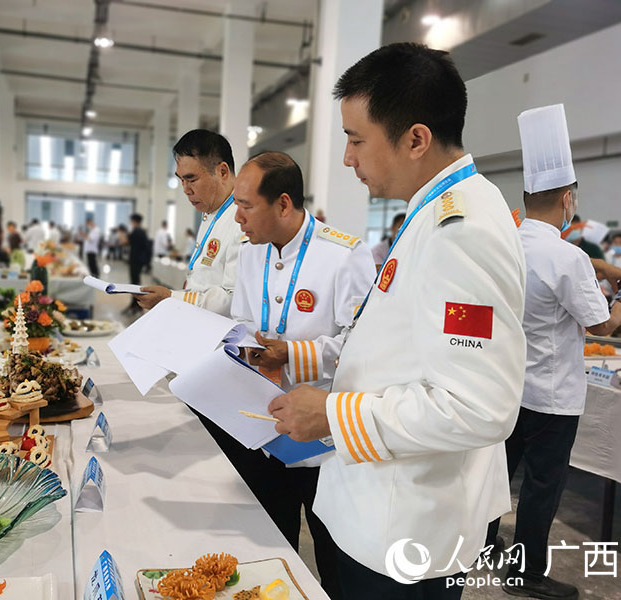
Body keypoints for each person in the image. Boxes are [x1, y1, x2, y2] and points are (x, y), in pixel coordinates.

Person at [266, 43, 527, 599]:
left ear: (415, 139)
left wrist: (335, 417)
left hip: (407, 527)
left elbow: (477, 405)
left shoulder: (463, 230)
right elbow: (389, 341)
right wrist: (295, 356)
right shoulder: (429, 214)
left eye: (356, 140)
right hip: (380, 506)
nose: (347, 159)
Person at [484, 104, 621, 600]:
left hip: (507, 384)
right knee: (542, 488)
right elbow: (600, 324)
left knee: (497, 475)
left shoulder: (506, 241)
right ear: (568, 199)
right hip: (550, 394)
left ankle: (485, 546)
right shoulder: (566, 257)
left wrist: (603, 273)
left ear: (524, 197)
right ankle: (525, 576)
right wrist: (620, 301)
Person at [230, 151, 376, 599]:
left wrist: (291, 355)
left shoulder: (343, 256)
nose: (237, 218)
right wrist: (244, 349)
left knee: (335, 561)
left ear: (284, 204)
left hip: (323, 444)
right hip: (263, 428)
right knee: (266, 554)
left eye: (246, 205)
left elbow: (361, 347)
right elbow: (241, 321)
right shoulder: (250, 254)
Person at [134, 129, 242, 317]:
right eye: (181, 180)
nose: (185, 189)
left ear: (222, 171)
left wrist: (171, 297)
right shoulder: (211, 213)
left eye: (191, 179)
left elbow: (234, 299)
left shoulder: (243, 219)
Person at [125, 214, 150, 314]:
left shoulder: (137, 232)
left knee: (135, 283)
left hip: (135, 260)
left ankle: (137, 304)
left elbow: (126, 242)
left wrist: (121, 234)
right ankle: (135, 304)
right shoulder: (141, 231)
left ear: (133, 221)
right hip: (138, 260)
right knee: (135, 282)